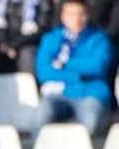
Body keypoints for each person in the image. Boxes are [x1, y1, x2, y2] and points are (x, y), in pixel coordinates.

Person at [33, 0, 113, 135]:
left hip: (90, 94)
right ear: (62, 16)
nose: (77, 19)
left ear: (88, 15)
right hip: (59, 94)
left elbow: (97, 66)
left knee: (90, 122)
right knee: (41, 114)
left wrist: (64, 64)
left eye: (81, 14)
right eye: (71, 14)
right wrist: (78, 76)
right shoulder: (51, 39)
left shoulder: (99, 39)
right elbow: (43, 72)